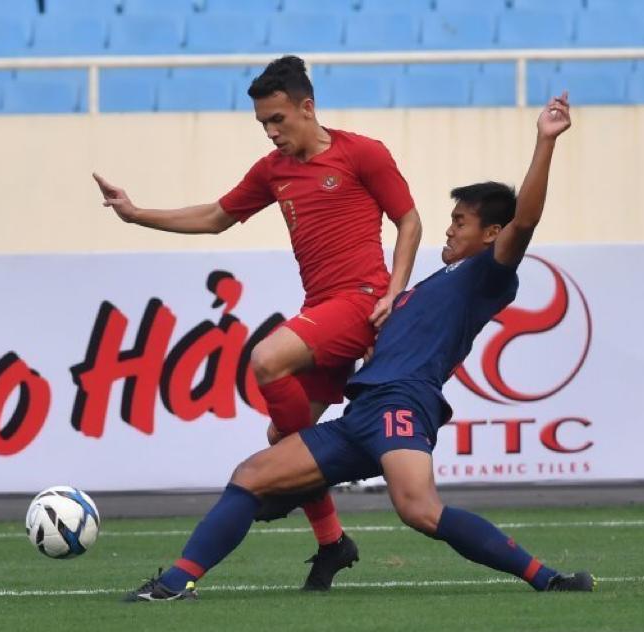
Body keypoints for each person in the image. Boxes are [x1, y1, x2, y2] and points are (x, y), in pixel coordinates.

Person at [124, 92, 595, 602]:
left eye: (461, 221)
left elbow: (525, 220)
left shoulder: (487, 275)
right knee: (252, 474)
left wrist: (544, 142)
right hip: (360, 412)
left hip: (401, 403)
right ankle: (175, 584)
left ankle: (547, 579)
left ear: (492, 234)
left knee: (419, 510)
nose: (449, 227)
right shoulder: (424, 287)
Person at [93, 55, 423, 590]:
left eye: (278, 120)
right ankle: (333, 542)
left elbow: (409, 220)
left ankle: (303, 498)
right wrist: (137, 214)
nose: (271, 133)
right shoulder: (274, 172)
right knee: (282, 440)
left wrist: (393, 294)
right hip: (322, 309)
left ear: (307, 107)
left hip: (360, 302)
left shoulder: (362, 153)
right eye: (263, 124)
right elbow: (216, 217)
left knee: (267, 359)